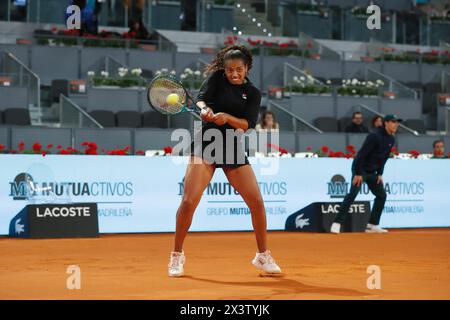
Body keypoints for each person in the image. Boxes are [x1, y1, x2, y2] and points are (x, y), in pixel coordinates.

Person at [168, 45, 282, 277]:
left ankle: (263, 256)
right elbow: (200, 99)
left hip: (231, 147)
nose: (233, 74)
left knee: (257, 202)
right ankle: (176, 256)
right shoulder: (217, 78)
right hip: (206, 145)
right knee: (189, 201)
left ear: (247, 68)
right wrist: (204, 110)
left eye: (239, 70)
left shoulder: (253, 93)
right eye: (230, 70)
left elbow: (247, 125)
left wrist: (228, 117)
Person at [330, 114, 402, 234]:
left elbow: (384, 158)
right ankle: (337, 223)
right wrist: (358, 173)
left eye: (397, 122)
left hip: (373, 172)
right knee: (352, 194)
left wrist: (380, 173)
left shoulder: (391, 139)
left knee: (381, 195)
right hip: (361, 170)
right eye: (393, 122)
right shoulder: (374, 136)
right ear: (386, 123)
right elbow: (361, 155)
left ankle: (372, 225)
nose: (396, 125)